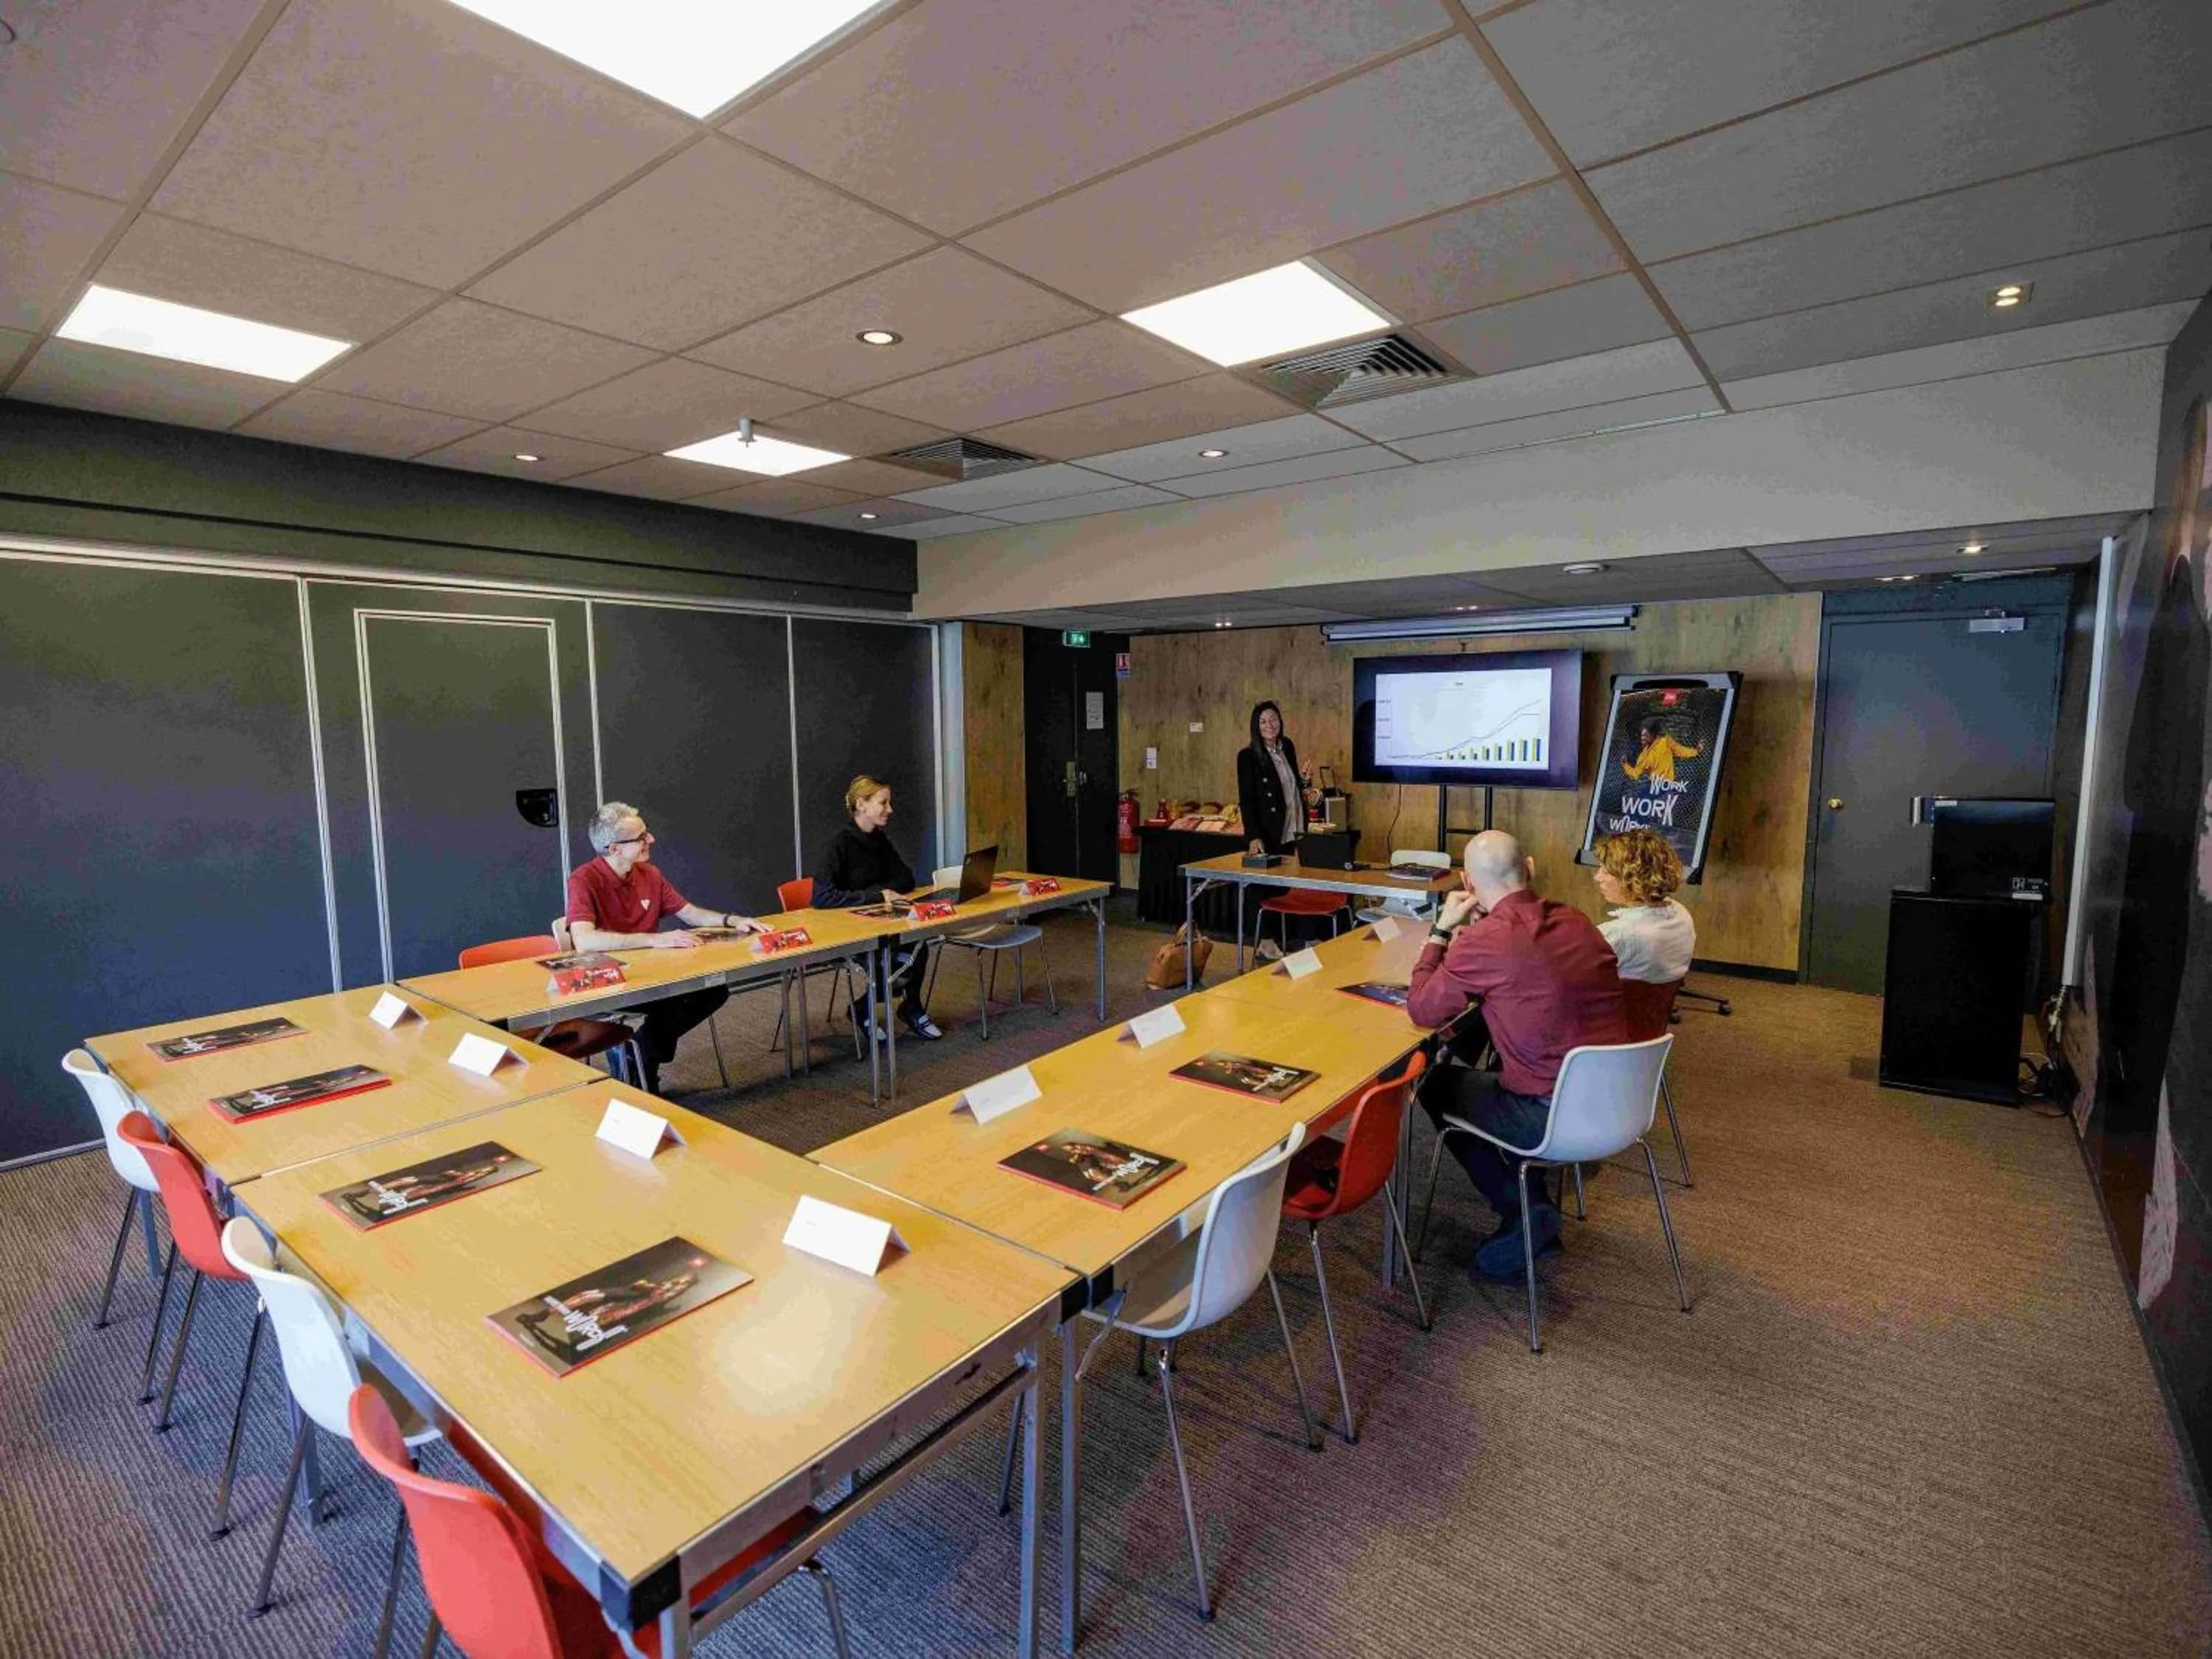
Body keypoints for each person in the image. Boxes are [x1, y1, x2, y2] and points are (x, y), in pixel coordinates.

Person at [1405, 830, 1628, 1281]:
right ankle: (1530, 1196)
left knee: (1436, 1083)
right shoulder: (1578, 921)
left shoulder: (1486, 940)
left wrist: (1441, 932)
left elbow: (1423, 1008)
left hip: (1551, 1115)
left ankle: (1524, 1207)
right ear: (1529, 868)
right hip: (1621, 1103)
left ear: (1467, 884)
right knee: (1486, 1049)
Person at [565, 801, 765, 1096]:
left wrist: (732, 920)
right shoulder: (583, 880)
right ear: (614, 848)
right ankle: (645, 1067)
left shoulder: (649, 874)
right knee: (673, 1001)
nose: (651, 840)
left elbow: (690, 913)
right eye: (641, 837)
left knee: (713, 989)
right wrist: (654, 940)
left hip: (653, 974)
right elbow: (584, 940)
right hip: (610, 981)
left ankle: (640, 1053)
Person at [810, 776, 944, 1042]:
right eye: (883, 802)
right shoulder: (838, 844)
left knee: (918, 946)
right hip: (848, 932)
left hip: (881, 924)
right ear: (862, 804)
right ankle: (866, 1009)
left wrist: (884, 893)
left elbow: (905, 879)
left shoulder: (878, 840)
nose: (890, 809)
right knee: (899, 961)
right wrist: (878, 895)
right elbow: (823, 897)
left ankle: (907, 1007)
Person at [1593, 828, 1697, 987]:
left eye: (1606, 872)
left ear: (1632, 878)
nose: (1597, 877)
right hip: (1653, 1008)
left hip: (1613, 1008)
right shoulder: (1681, 913)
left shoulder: (1618, 934)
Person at [1236, 700, 1321, 857]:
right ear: (1256, 726)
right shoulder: (1247, 757)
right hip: (1271, 833)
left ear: (1280, 721)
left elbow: (1294, 788)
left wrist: (1305, 780)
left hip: (1296, 828)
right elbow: (1246, 800)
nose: (1269, 725)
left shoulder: (1287, 746)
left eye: (1273, 719)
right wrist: (1253, 837)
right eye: (1263, 721)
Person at [1621, 717, 1700, 783]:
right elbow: (1636, 774)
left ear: (1653, 734)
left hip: (1667, 786)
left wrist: (1696, 751)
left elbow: (1680, 750)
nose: (1642, 738)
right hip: (1653, 787)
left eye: (1645, 735)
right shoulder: (1644, 754)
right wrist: (1625, 765)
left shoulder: (1665, 741)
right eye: (1642, 736)